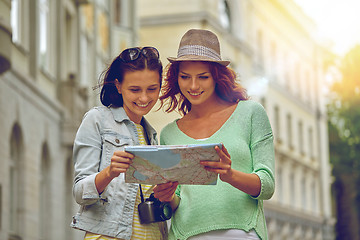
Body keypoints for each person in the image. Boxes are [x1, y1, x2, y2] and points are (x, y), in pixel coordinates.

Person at [153, 29, 275, 240]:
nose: (193, 86)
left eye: (203, 77)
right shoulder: (169, 134)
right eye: (185, 77)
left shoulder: (251, 113)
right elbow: (178, 200)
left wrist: (230, 175)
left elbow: (267, 186)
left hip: (242, 233)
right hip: (187, 235)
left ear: (216, 77)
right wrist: (168, 196)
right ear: (176, 78)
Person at [70, 46, 168, 240]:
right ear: (118, 85)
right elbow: (80, 192)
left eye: (152, 89)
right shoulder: (97, 120)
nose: (144, 98)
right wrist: (109, 173)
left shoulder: (151, 135)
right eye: (134, 89)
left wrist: (165, 193)